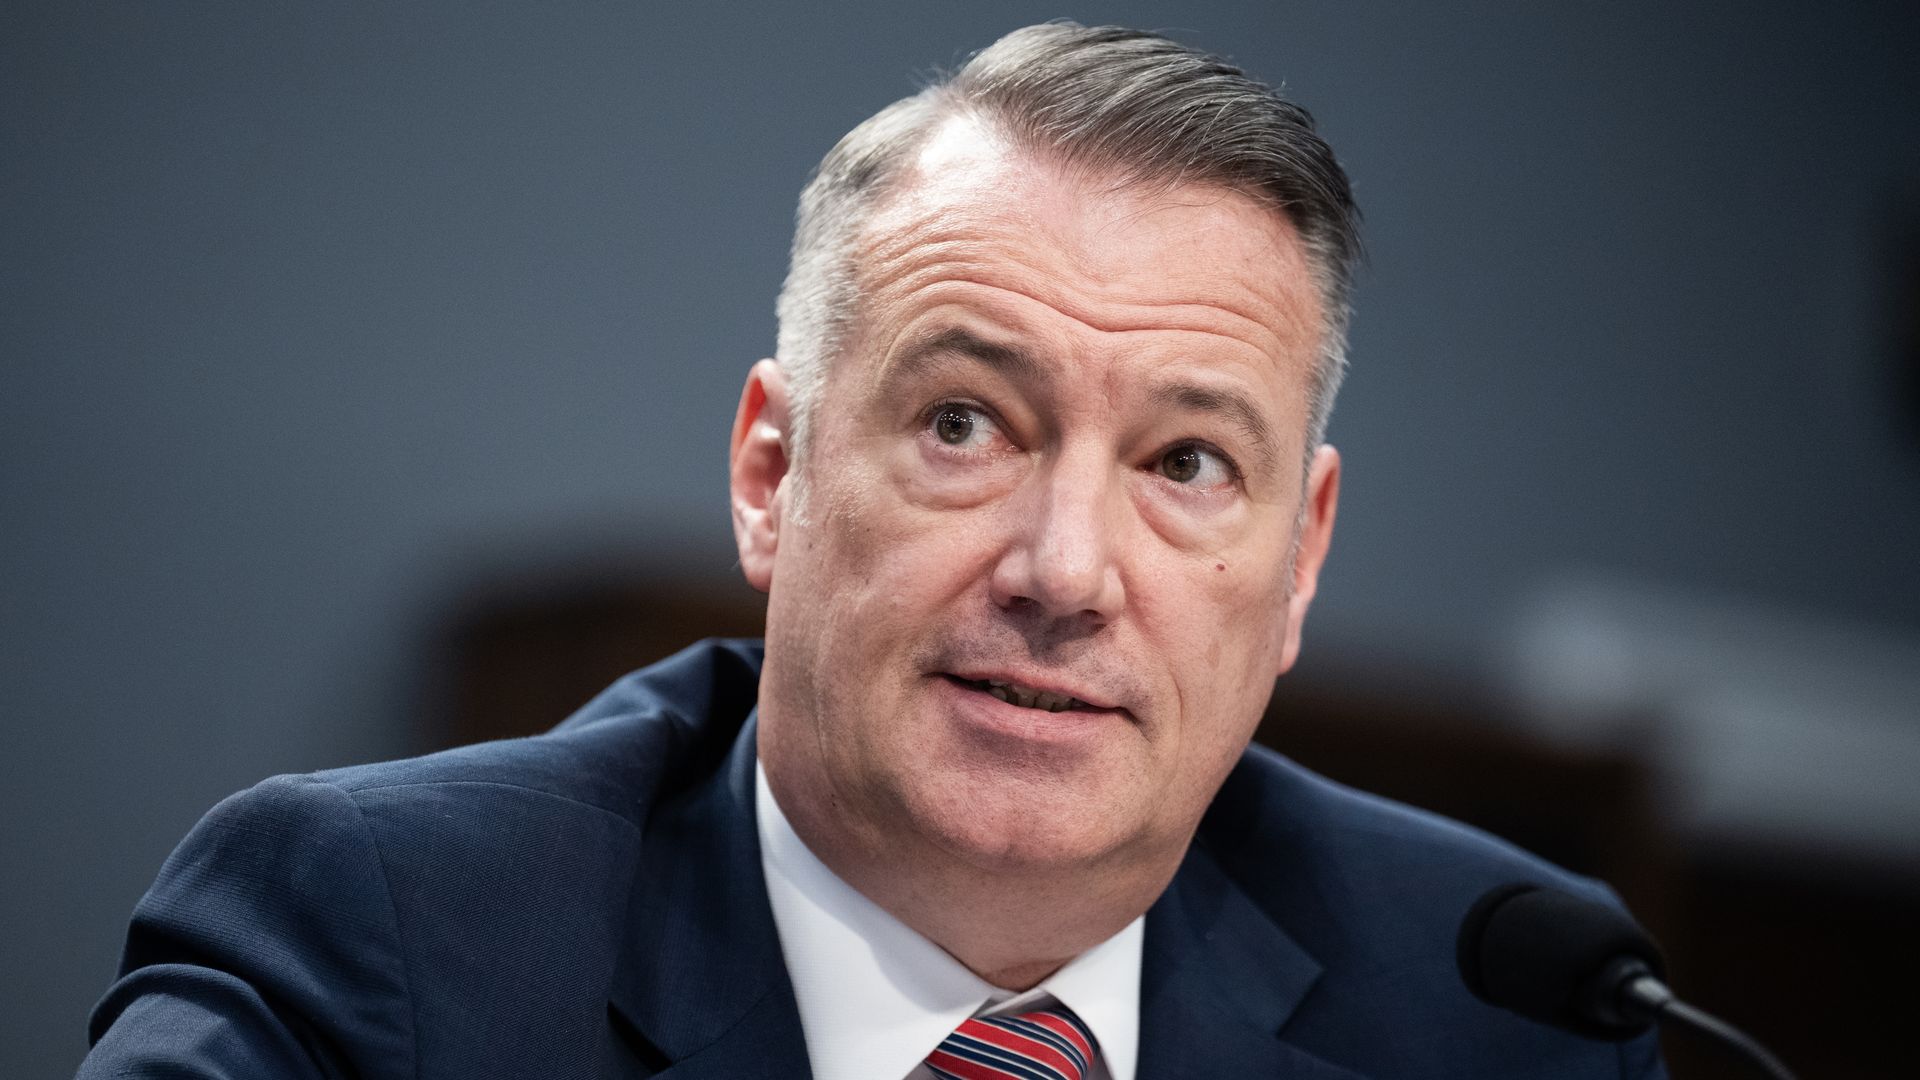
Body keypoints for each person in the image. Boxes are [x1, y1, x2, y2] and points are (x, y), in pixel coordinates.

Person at [81, 23, 1666, 1079]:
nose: (1064, 572)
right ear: (773, 474)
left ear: (1301, 559)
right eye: (967, 425)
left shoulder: (1500, 1012)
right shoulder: (385, 940)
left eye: (1186, 462)